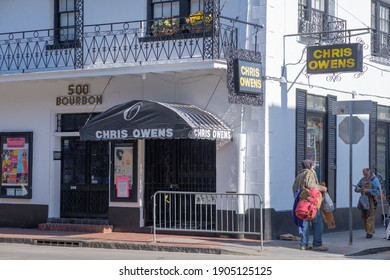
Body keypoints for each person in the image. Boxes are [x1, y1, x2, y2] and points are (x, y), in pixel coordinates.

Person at [292, 159, 328, 251]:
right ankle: (317, 244)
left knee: (305, 224)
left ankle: (303, 244)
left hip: (301, 203)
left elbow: (294, 188)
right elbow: (311, 185)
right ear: (309, 166)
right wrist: (322, 188)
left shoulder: (299, 174)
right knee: (318, 222)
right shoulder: (309, 173)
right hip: (311, 203)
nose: (313, 167)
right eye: (312, 165)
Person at [354, 168, 381, 238]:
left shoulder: (374, 180)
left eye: (366, 174)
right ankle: (369, 230)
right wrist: (359, 189)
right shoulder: (362, 179)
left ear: (369, 172)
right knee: (364, 216)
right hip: (363, 200)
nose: (364, 175)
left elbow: (378, 190)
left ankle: (370, 232)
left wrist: (368, 190)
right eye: (363, 174)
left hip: (371, 200)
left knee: (370, 216)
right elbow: (356, 188)